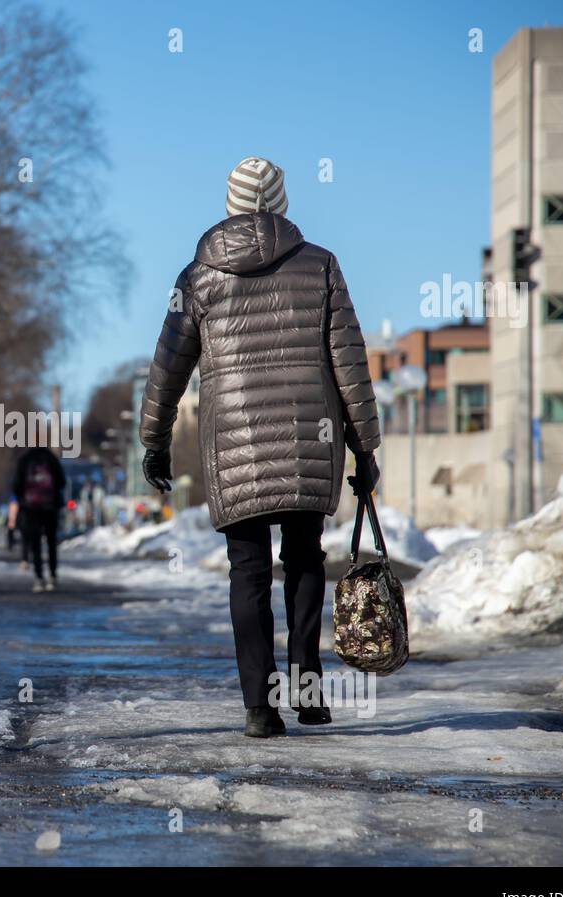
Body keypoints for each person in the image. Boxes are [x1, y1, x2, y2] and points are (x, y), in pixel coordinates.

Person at [138, 156, 381, 739]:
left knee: (247, 572)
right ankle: (307, 691)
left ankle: (259, 708)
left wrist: (154, 440)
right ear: (281, 203)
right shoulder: (320, 265)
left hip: (235, 443)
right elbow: (348, 362)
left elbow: (169, 368)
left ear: (230, 205)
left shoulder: (197, 278)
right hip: (306, 438)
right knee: (303, 560)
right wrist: (363, 446)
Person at [12, 444, 67, 592]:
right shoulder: (51, 458)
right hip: (50, 506)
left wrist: (23, 500)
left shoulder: (24, 459)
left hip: (31, 509)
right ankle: (53, 576)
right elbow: (62, 481)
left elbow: (16, 484)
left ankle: (39, 577)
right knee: (51, 542)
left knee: (35, 543)